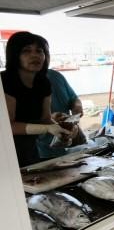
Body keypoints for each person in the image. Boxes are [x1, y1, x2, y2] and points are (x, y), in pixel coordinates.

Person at [1, 31, 69, 167]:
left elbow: (45, 118)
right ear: (15, 56)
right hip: (4, 152)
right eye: (26, 51)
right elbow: (7, 126)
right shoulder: (5, 81)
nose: (35, 55)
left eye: (39, 51)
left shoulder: (43, 83)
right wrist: (47, 129)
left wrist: (62, 130)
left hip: (28, 149)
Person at [37, 68, 83, 159]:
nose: (37, 56)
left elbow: (73, 98)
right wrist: (48, 123)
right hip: (39, 152)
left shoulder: (55, 75)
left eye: (40, 52)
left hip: (66, 144)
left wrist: (77, 106)